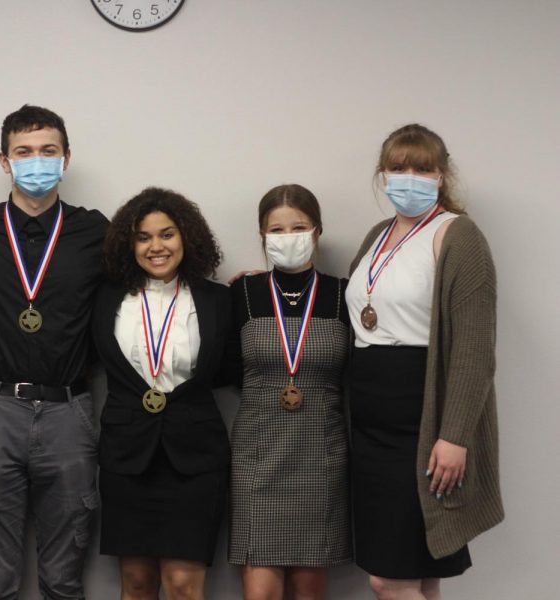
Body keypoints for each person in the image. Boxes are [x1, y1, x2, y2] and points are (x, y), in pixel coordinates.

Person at [0, 104, 107, 599]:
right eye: (25, 152)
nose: (37, 161)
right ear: (4, 160)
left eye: (48, 151)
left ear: (67, 158)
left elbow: (140, 296)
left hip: (70, 410)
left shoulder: (96, 231)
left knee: (63, 579)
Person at [345, 124, 503, 600]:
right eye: (397, 168)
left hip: (421, 423)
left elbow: (475, 350)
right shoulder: (378, 235)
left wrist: (453, 435)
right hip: (371, 427)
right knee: (417, 574)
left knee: (388, 580)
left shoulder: (458, 235)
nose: (408, 177)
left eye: (421, 168)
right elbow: (357, 309)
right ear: (382, 174)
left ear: (441, 174)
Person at [94, 188, 231, 600]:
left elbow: (231, 370)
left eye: (167, 234)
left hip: (195, 459)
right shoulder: (103, 300)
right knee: (136, 585)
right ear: (128, 244)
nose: (156, 246)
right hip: (126, 457)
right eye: (143, 237)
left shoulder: (219, 301)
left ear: (187, 238)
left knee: (184, 586)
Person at [227, 184, 352, 600]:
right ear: (262, 236)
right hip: (257, 455)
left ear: (317, 231)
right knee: (259, 593)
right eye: (276, 229)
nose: (288, 237)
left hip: (321, 454)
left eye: (298, 227)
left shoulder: (343, 295)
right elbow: (223, 369)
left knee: (309, 591)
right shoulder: (241, 293)